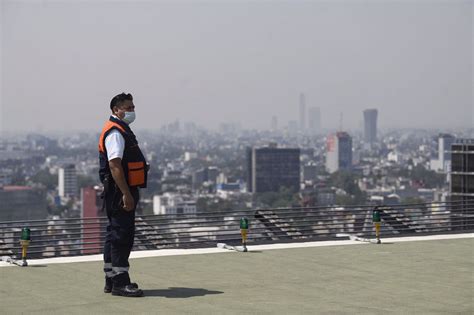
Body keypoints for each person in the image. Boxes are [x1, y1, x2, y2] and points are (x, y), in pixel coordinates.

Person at [98, 93, 148, 297]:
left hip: (118, 191)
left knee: (114, 234)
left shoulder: (119, 130)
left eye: (133, 107)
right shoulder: (116, 133)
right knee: (121, 235)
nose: (132, 111)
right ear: (115, 110)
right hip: (121, 191)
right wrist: (126, 194)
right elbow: (115, 165)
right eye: (128, 108)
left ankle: (111, 278)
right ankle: (120, 282)